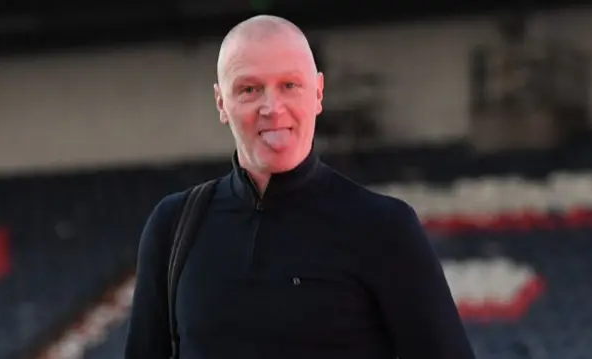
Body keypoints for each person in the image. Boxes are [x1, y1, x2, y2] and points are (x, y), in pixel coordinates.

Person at [124, 14, 475, 359]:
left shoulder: (383, 228)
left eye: (289, 85)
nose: (272, 108)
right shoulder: (173, 228)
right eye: (249, 89)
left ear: (318, 93)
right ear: (221, 103)